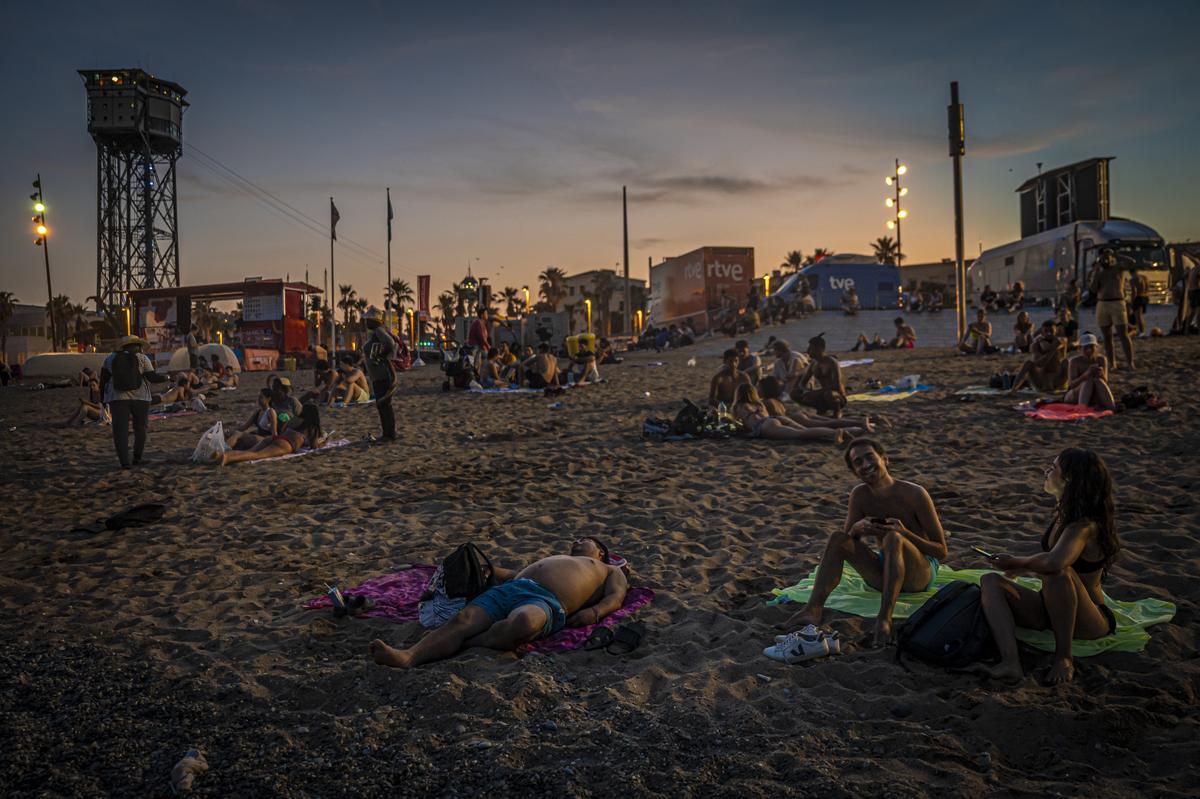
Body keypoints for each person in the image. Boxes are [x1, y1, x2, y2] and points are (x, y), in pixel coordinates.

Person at [975, 449, 1122, 685]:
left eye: (1053, 468)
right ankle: (1010, 662)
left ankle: (1064, 658)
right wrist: (1022, 569)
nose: (1046, 471)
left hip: (1090, 619)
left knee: (1058, 572)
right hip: (1053, 606)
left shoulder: (1084, 526)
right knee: (990, 580)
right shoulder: (1064, 515)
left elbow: (1055, 562)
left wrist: (1017, 562)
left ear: (1069, 480)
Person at [369, 538, 628, 668]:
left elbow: (615, 597)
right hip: (511, 588)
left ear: (600, 551)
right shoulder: (560, 557)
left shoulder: (608, 569)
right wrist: (486, 570)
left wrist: (594, 612)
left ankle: (464, 642)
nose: (576, 542)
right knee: (463, 620)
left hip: (546, 600)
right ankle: (409, 656)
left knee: (524, 622)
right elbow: (512, 574)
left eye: (584, 540)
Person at [787, 437, 948, 646]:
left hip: (920, 572)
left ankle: (884, 618)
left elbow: (941, 551)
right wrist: (856, 529)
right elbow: (845, 544)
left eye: (869, 457)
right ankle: (812, 609)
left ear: (885, 459)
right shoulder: (860, 495)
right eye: (858, 463)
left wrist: (904, 532)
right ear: (854, 472)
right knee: (837, 537)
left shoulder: (915, 493)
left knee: (893, 536)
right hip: (885, 570)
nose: (865, 465)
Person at [100, 335, 169, 468]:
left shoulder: (110, 358)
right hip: (141, 398)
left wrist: (103, 398)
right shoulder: (142, 358)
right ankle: (137, 458)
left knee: (120, 431)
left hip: (117, 398)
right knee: (140, 429)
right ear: (137, 346)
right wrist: (167, 377)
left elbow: (103, 380)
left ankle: (124, 462)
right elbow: (152, 378)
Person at [758, 376, 880, 432]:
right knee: (830, 422)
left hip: (795, 418)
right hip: (799, 413)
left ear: (765, 390)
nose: (757, 390)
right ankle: (862, 422)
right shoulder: (776, 400)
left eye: (759, 388)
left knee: (828, 425)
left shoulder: (767, 402)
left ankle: (859, 424)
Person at [732, 384, 850, 442]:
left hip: (764, 425)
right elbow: (766, 415)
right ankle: (838, 432)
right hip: (775, 418)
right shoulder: (759, 404)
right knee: (804, 431)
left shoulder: (738, 406)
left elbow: (738, 424)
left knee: (798, 434)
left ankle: (836, 433)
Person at [218, 402, 325, 465]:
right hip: (286, 444)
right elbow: (314, 446)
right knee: (257, 455)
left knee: (250, 451)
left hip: (275, 438)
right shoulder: (312, 428)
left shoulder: (295, 419)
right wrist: (322, 443)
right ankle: (227, 458)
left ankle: (220, 456)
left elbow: (283, 429)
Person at [1089, 249, 1135, 370]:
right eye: (1103, 257)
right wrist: (1095, 271)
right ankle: (1111, 363)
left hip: (1117, 302)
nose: (1105, 260)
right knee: (1107, 336)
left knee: (1123, 334)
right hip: (1102, 303)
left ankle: (1130, 363)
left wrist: (1117, 254)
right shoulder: (1098, 272)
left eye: (1107, 257)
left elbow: (1132, 262)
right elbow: (1093, 289)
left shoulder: (1118, 268)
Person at [362, 309, 397, 441]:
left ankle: (389, 434)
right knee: (383, 405)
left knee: (384, 405)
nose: (365, 322)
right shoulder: (376, 333)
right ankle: (388, 433)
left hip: (383, 375)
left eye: (367, 320)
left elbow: (390, 343)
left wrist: (381, 356)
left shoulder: (378, 331)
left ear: (373, 320)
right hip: (379, 376)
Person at [793, 334, 845, 416]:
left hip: (837, 396)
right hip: (822, 394)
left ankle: (837, 411)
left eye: (811, 349)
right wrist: (806, 391)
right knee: (794, 393)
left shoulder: (832, 362)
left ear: (820, 349)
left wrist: (815, 393)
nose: (808, 351)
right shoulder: (813, 363)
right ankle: (821, 408)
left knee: (829, 394)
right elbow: (802, 383)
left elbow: (836, 385)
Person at [1010, 320, 1068, 393]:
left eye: (1051, 330)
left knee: (1066, 362)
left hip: (1058, 377)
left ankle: (1071, 387)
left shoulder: (1062, 341)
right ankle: (1013, 390)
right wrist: (1052, 350)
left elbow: (1058, 344)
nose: (1049, 333)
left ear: (1056, 331)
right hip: (1042, 379)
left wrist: (1053, 347)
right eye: (1046, 331)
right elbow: (1040, 363)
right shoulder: (1035, 345)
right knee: (1029, 363)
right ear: (1042, 332)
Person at [1063, 332, 1115, 410]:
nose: (1089, 350)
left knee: (1098, 380)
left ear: (1096, 347)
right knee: (1088, 381)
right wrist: (1086, 374)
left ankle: (1112, 407)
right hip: (1074, 394)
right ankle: (1082, 408)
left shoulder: (1101, 359)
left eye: (1091, 347)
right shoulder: (1074, 361)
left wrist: (1101, 375)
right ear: (1080, 349)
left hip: (1093, 393)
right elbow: (1071, 385)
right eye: (1086, 347)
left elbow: (1105, 382)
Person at [467, 306, 490, 371]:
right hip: (476, 347)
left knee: (487, 357)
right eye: (486, 313)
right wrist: (488, 347)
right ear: (482, 315)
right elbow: (482, 337)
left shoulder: (481, 323)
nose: (487, 315)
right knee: (477, 365)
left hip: (480, 347)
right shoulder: (478, 323)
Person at [1130, 271, 1150, 338]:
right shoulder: (1144, 277)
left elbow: (1134, 291)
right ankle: (1142, 331)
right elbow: (1147, 288)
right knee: (1141, 316)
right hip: (1145, 296)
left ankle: (1141, 332)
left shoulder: (1133, 279)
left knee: (1138, 316)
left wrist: (1132, 302)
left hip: (1138, 297)